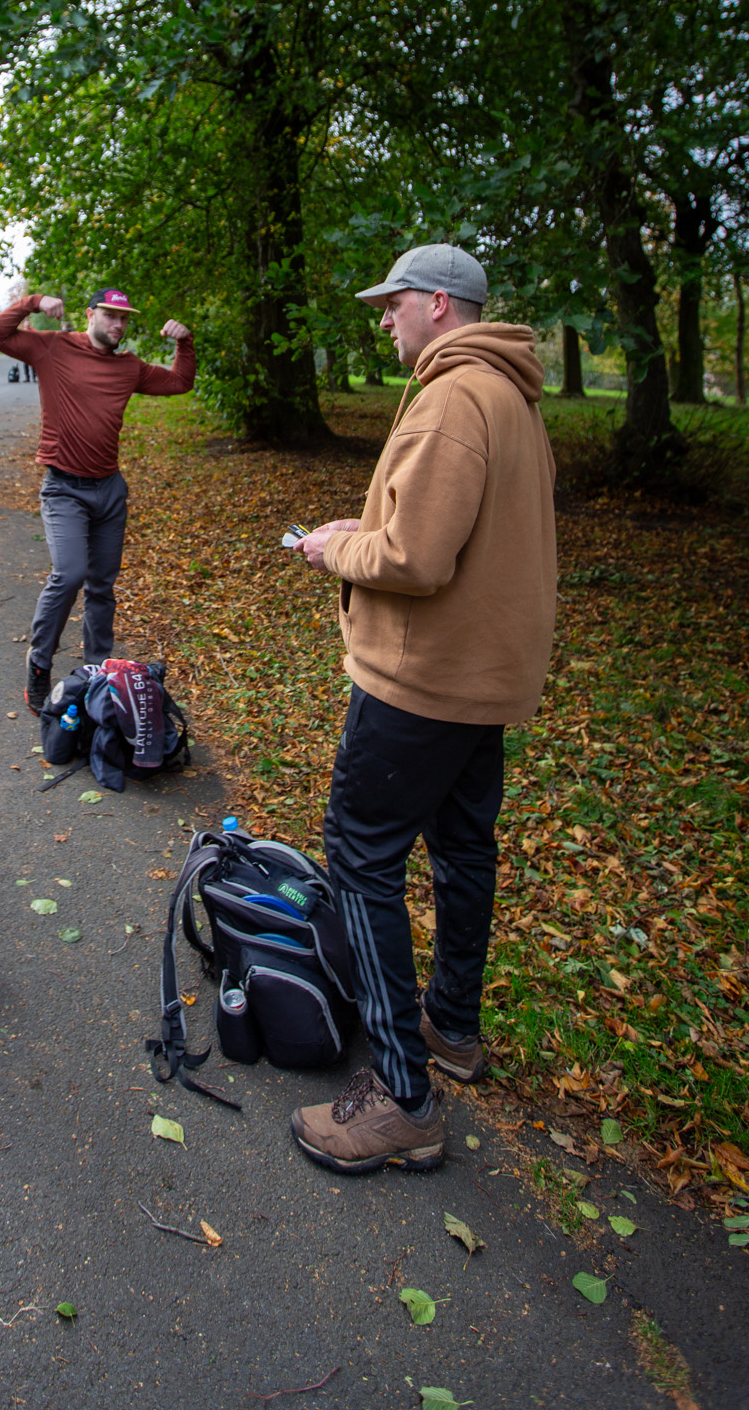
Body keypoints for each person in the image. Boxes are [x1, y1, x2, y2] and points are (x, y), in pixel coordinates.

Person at [286, 243, 556, 1175]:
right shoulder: (510, 394)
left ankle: (402, 1098)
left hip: (421, 682)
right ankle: (452, 1027)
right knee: (464, 847)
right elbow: (455, 535)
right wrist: (364, 530)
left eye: (392, 303)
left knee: (360, 860)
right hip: (482, 678)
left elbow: (415, 560)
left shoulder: (452, 397)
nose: (383, 319)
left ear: (438, 304)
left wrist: (332, 549)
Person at [0, 285, 195, 712]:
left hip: (109, 490)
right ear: (89, 315)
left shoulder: (129, 367)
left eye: (124, 318)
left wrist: (185, 343)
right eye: (110, 315)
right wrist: (33, 302)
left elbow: (179, 382)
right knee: (70, 573)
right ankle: (39, 664)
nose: (118, 324)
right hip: (64, 488)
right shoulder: (52, 348)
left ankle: (97, 672)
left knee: (102, 585)